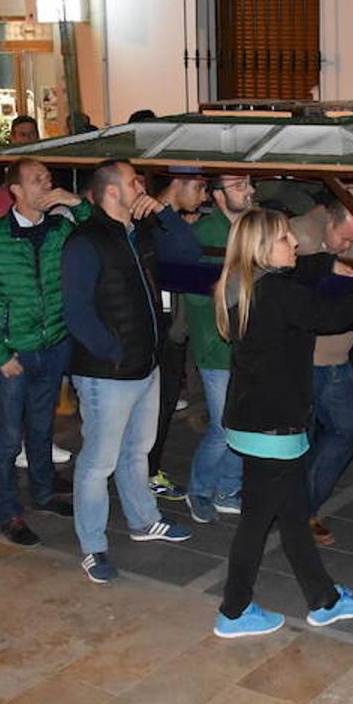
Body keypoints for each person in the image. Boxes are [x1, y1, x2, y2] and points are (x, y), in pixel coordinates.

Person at [212, 208, 353, 638]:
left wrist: (328, 263)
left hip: (255, 421)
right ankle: (234, 611)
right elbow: (333, 316)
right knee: (257, 521)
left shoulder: (246, 284)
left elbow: (302, 271)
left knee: (291, 516)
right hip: (274, 426)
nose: (295, 244)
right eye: (285, 239)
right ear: (262, 250)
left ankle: (323, 599)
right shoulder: (276, 295)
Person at [62, 161, 199, 583]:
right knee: (98, 462)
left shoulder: (138, 233)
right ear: (110, 192)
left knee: (137, 451)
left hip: (145, 363)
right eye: (133, 181)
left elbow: (188, 250)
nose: (141, 186)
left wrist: (161, 210)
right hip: (108, 371)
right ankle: (92, 546)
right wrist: (114, 352)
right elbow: (77, 311)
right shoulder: (86, 241)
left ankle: (143, 520)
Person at [0, 158, 84, 546]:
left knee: (43, 426)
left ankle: (44, 493)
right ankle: (9, 510)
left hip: (53, 347)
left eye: (49, 178)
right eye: (37, 180)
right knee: (9, 437)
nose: (46, 184)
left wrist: (76, 202)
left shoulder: (62, 229)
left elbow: (106, 229)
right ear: (15, 190)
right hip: (13, 355)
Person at [288, 199, 353, 545]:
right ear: (328, 227)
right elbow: (325, 307)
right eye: (344, 240)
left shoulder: (344, 244)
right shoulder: (301, 239)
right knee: (304, 439)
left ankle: (302, 508)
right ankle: (298, 511)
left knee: (348, 428)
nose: (349, 246)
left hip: (336, 360)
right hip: (309, 362)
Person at [185, 174, 256, 523]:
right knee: (223, 427)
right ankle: (198, 490)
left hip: (244, 344)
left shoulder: (250, 228)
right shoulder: (204, 235)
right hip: (217, 346)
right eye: (239, 186)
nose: (249, 191)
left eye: (248, 184)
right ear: (218, 195)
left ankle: (228, 488)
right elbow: (197, 298)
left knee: (240, 423)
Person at [146, 172, 210, 502]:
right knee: (156, 404)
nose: (204, 195)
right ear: (177, 183)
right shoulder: (152, 219)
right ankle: (146, 471)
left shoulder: (165, 219)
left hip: (170, 327)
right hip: (155, 328)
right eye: (199, 187)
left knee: (165, 401)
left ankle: (147, 468)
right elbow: (188, 250)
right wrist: (164, 213)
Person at [0, 115, 41, 225]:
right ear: (13, 138)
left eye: (32, 134)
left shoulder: (50, 164)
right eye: (23, 135)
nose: (28, 139)